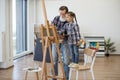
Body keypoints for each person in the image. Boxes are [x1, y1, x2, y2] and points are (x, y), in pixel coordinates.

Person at [52, 6, 70, 80]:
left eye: (63, 14)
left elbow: (68, 32)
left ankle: (66, 77)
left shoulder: (69, 20)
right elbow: (52, 28)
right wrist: (58, 33)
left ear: (66, 13)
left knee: (66, 60)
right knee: (54, 59)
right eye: (60, 13)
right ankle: (54, 77)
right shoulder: (56, 18)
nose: (62, 15)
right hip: (55, 41)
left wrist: (60, 33)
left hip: (65, 41)